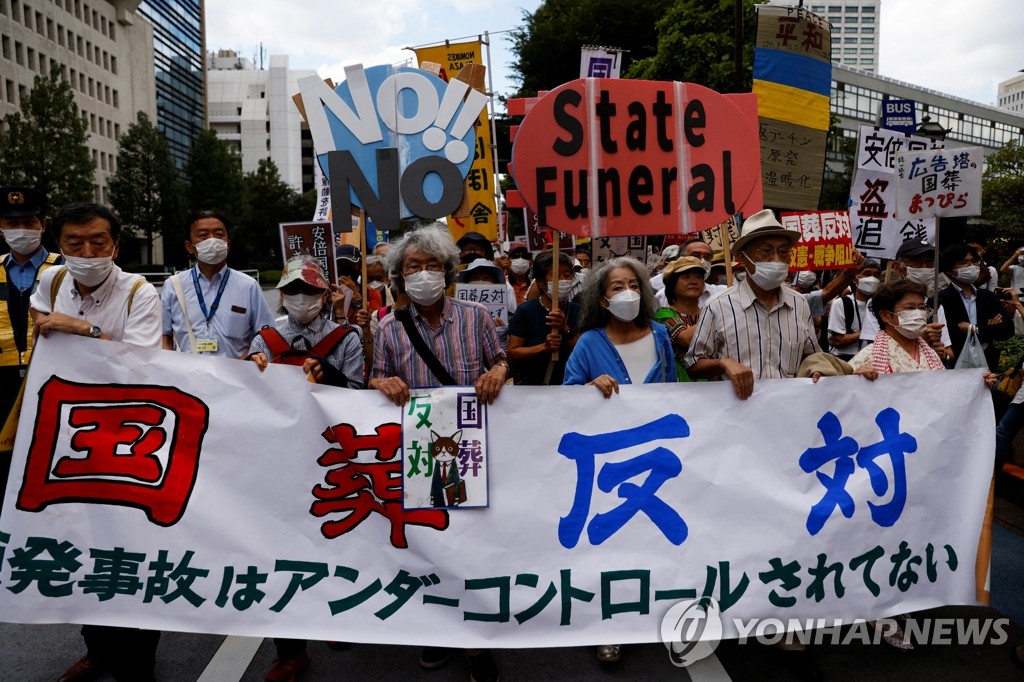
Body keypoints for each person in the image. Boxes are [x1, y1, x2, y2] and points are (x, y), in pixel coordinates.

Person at [29, 202, 162, 682]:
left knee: (132, 549)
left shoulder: (140, 293)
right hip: (69, 438)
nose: (86, 252)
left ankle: (139, 664)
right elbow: (39, 315)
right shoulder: (54, 281)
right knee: (81, 544)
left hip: (130, 443)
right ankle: (97, 649)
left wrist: (82, 328)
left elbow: (143, 367)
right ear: (59, 248)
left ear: (116, 245)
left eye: (97, 242)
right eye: (74, 244)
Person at [369, 224, 506, 682]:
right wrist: (379, 383)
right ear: (399, 277)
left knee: (469, 543)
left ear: (447, 272)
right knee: (429, 542)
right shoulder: (388, 328)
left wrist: (499, 373)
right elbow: (375, 377)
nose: (423, 274)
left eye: (432, 265)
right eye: (413, 267)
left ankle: (474, 640)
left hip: (470, 447)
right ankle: (438, 628)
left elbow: (500, 359)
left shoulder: (476, 318)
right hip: (419, 452)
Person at [247, 257, 365, 682]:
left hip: (332, 457)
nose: (302, 299)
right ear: (282, 295)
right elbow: (250, 402)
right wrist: (250, 373)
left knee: (338, 541)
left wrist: (327, 374)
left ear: (324, 295)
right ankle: (290, 650)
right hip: (280, 460)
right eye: (294, 290)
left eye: (311, 291)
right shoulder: (265, 338)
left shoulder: (347, 336)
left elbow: (357, 394)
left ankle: (337, 618)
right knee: (282, 554)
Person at [562, 256, 674, 664]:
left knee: (651, 543)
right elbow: (565, 395)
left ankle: (651, 617)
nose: (627, 292)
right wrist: (591, 385)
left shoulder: (660, 334)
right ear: (602, 299)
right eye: (616, 287)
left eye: (633, 284)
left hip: (654, 460)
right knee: (608, 547)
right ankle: (608, 627)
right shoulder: (589, 342)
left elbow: (675, 392)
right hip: (609, 465)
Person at [685, 209, 820, 399]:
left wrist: (818, 369)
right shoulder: (718, 306)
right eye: (766, 251)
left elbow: (811, 356)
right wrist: (723, 363)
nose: (776, 260)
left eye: (783, 252)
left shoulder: (799, 304)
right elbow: (693, 365)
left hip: (787, 412)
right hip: (736, 417)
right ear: (742, 258)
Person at [0, 186, 62, 500]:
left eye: (28, 221)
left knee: (50, 459)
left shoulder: (66, 269)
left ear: (43, 224)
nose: (21, 229)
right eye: (12, 223)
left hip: (54, 380)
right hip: (3, 384)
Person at [161, 210, 275, 357]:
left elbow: (267, 337)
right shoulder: (173, 286)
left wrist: (248, 360)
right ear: (189, 246)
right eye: (203, 235)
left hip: (236, 376)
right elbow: (165, 336)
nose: (212, 240)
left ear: (228, 244)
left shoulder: (248, 286)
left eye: (219, 234)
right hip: (188, 377)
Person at [508, 251, 580, 385]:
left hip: (571, 387)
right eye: (556, 276)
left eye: (567, 275)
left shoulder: (579, 311)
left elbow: (585, 352)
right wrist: (543, 347)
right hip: (534, 389)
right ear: (541, 282)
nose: (563, 280)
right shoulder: (525, 311)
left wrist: (565, 329)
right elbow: (513, 353)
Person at [938, 243, 1013, 371]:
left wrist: (973, 328)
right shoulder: (941, 299)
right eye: (964, 262)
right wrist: (989, 329)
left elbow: (1007, 330)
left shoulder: (987, 297)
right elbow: (951, 332)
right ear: (949, 270)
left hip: (987, 365)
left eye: (974, 261)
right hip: (955, 365)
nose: (971, 266)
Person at [654, 256, 706, 381]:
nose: (694, 281)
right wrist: (718, 312)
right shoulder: (663, 315)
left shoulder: (707, 312)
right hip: (678, 388)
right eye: (686, 277)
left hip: (713, 386)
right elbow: (685, 338)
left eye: (699, 277)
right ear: (672, 284)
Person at [827, 259, 882, 361]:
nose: (872, 278)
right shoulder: (841, 303)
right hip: (844, 360)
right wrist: (867, 331)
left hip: (872, 360)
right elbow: (838, 341)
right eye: (867, 274)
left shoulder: (881, 305)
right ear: (855, 279)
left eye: (876, 275)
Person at [506, 241, 533, 306]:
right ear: (509, 260)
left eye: (525, 256)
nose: (520, 259)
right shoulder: (502, 282)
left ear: (531, 262)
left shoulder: (534, 285)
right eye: (516, 256)